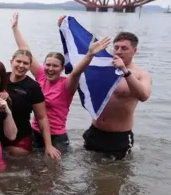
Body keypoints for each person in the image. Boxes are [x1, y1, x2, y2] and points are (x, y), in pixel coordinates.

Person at [10, 12, 111, 150]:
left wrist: (90, 55)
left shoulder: (67, 85)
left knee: (54, 171)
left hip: (57, 137)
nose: (50, 69)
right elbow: (25, 51)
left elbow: (77, 72)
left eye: (55, 66)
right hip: (36, 132)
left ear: (62, 68)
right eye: (48, 65)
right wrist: (15, 28)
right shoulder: (41, 76)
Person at [83, 31, 152, 160]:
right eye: (116, 47)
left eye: (124, 48)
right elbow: (78, 69)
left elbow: (144, 95)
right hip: (95, 131)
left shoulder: (141, 74)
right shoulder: (103, 67)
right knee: (90, 175)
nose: (119, 51)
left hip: (119, 136)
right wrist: (65, 27)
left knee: (119, 176)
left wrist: (125, 71)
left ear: (134, 50)